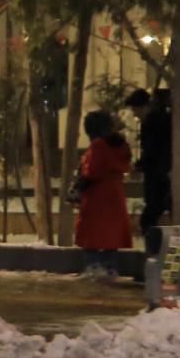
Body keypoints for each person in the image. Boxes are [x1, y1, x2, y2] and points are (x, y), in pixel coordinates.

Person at [74, 109, 135, 276]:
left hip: (97, 196)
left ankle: (93, 267)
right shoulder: (119, 145)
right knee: (111, 234)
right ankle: (110, 267)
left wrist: (79, 186)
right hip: (115, 193)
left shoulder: (99, 145)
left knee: (90, 233)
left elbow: (91, 171)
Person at [128, 88, 173, 260]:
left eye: (135, 110)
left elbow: (151, 152)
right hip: (166, 175)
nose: (135, 115)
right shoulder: (167, 119)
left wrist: (139, 166)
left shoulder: (151, 123)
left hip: (157, 178)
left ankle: (154, 258)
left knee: (148, 220)